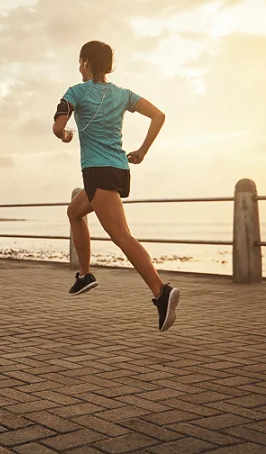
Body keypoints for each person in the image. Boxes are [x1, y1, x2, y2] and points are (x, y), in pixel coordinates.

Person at [52, 40, 180, 332]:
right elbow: (159, 115)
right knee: (75, 212)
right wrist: (143, 150)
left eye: (79, 61)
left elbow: (58, 127)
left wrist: (64, 135)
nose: (79, 66)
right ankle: (84, 274)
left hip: (97, 172)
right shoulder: (123, 94)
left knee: (121, 235)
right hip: (118, 169)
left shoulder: (76, 92)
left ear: (85, 63)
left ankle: (161, 292)